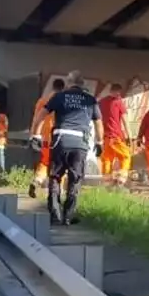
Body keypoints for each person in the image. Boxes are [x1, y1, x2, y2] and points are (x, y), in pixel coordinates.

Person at [30, 71, 103, 225]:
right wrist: (99, 142)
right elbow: (98, 123)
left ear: (69, 83)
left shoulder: (59, 97)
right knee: (75, 178)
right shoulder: (90, 100)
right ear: (82, 84)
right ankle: (68, 216)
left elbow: (41, 116)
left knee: (56, 176)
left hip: (61, 140)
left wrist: (35, 135)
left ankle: (55, 214)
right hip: (80, 143)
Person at [30, 77, 66, 198]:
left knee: (44, 162)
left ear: (53, 87)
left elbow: (36, 119)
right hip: (59, 138)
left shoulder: (42, 101)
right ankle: (58, 190)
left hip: (44, 137)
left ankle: (37, 180)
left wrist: (34, 135)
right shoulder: (63, 101)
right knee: (61, 164)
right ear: (63, 88)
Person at [97, 83, 133, 187]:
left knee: (107, 159)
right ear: (117, 91)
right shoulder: (118, 102)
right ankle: (121, 178)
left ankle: (107, 184)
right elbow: (125, 120)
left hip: (105, 137)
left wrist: (98, 138)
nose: (119, 95)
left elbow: (97, 120)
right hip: (116, 135)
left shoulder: (101, 102)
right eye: (119, 92)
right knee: (126, 156)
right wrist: (129, 136)